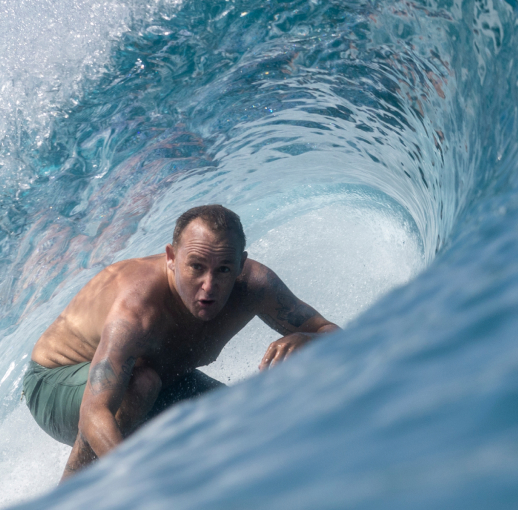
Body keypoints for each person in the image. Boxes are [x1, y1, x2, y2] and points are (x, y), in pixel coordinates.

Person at [24, 204, 339, 480]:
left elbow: (330, 331)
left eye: (224, 270)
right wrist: (132, 483)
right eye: (196, 267)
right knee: (139, 384)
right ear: (172, 258)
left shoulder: (255, 286)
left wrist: (308, 338)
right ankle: (70, 498)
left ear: (241, 265)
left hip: (163, 380)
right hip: (57, 384)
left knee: (245, 422)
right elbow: (95, 412)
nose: (209, 286)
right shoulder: (137, 309)